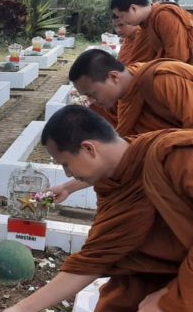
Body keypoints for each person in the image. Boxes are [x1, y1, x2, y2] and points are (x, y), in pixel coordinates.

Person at [0, 105, 193, 312]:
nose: (67, 173)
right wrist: (22, 310)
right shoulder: (117, 177)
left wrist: (170, 298)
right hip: (164, 274)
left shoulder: (177, 157)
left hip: (185, 285)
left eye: (66, 163)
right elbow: (95, 258)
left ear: (88, 148)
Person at [50, 49, 193, 202]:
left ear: (113, 77)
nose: (91, 102)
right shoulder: (126, 103)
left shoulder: (163, 79)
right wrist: (67, 188)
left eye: (92, 94)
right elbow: (122, 158)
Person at [111, 0, 192, 63]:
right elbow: (138, 59)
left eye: (122, 16)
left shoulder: (164, 15)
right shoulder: (144, 25)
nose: (123, 20)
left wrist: (151, 69)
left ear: (133, 8)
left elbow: (178, 57)